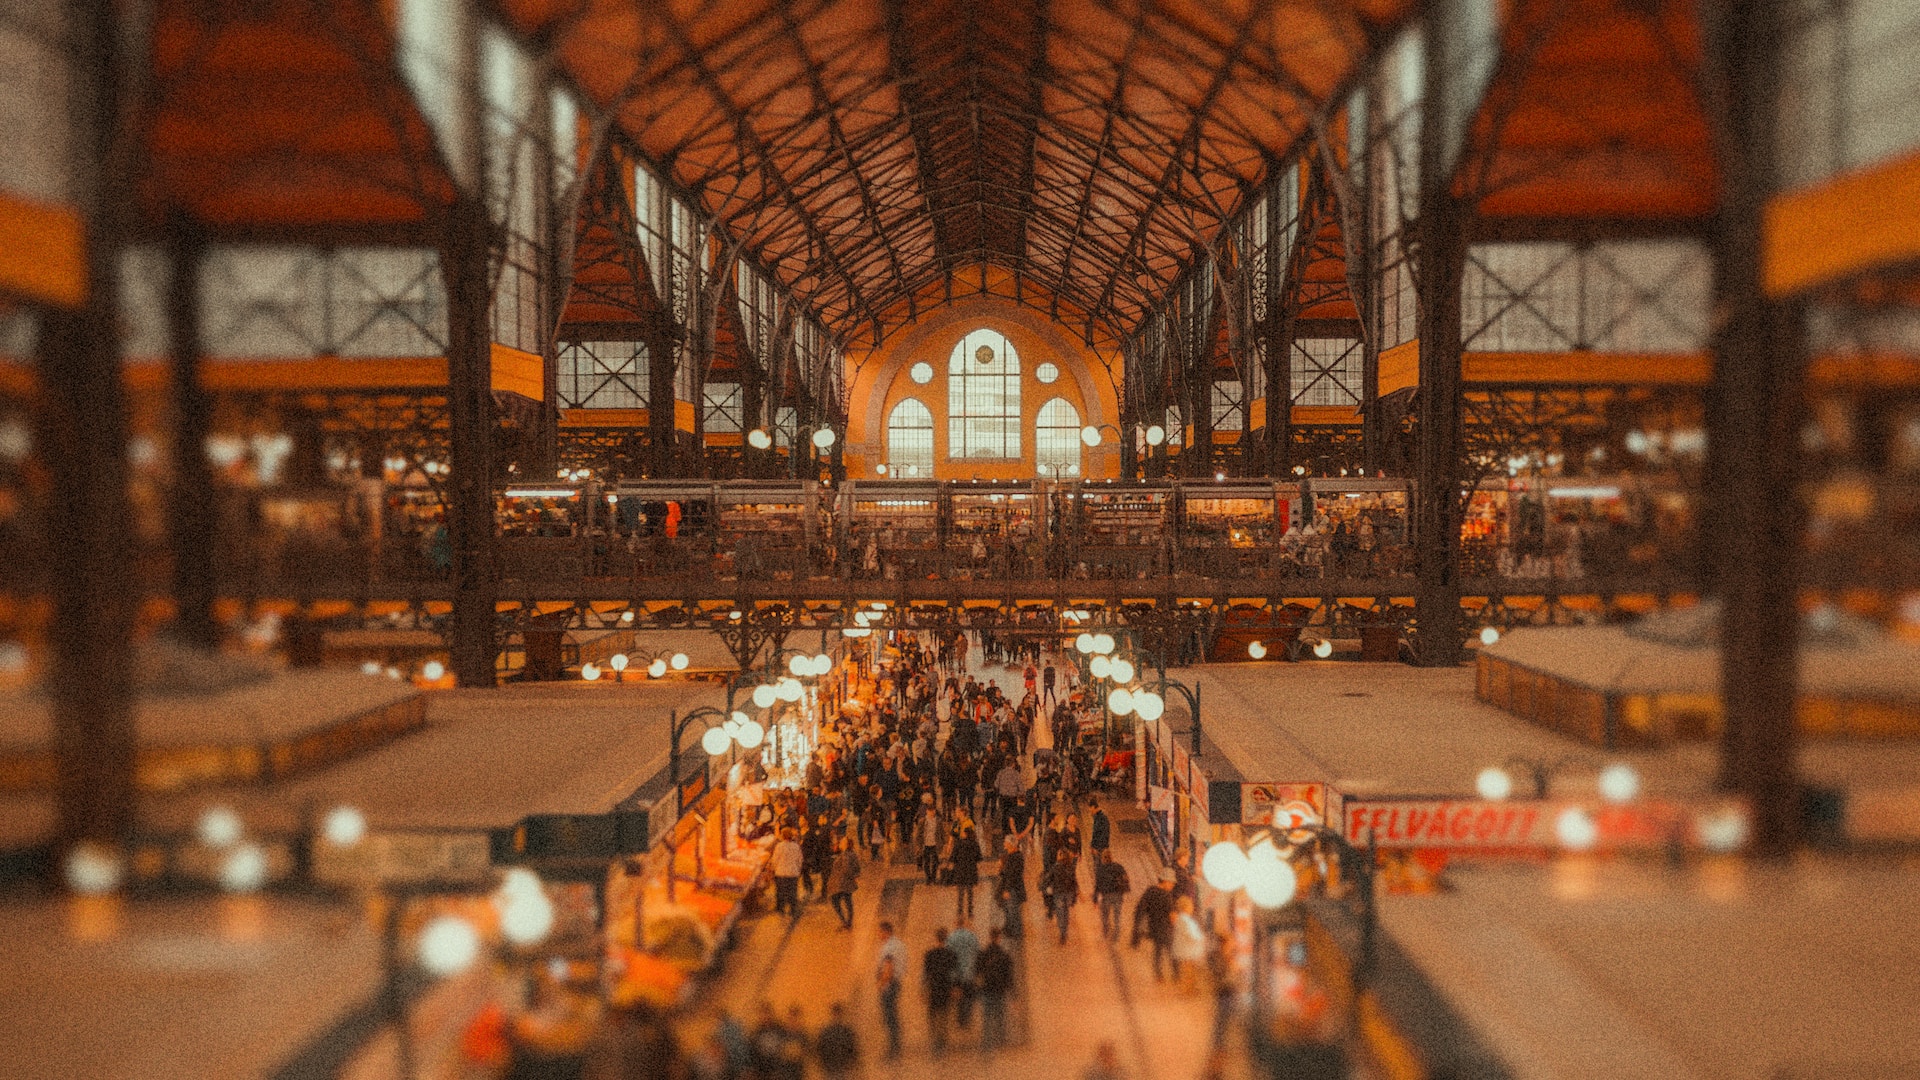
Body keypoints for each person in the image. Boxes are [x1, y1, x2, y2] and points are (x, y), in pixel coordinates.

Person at [1131, 869, 1177, 981]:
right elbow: (1172, 916)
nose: (1172, 886)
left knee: (1158, 952)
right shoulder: (1166, 896)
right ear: (1165, 881)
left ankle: (1158, 975)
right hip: (1165, 928)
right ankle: (1176, 975)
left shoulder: (1150, 891)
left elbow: (1140, 907)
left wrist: (1138, 926)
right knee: (1172, 952)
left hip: (1154, 927)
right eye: (1171, 883)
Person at [976, 929, 1014, 1052]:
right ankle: (1000, 1040)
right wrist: (1013, 993)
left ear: (989, 936)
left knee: (987, 1016)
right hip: (1000, 989)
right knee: (1000, 1015)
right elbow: (1009, 975)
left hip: (986, 988)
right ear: (999, 938)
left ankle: (987, 1041)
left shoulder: (983, 953)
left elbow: (977, 971)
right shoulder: (1004, 955)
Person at [923, 927, 958, 1055]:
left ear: (936, 938)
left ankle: (934, 1043)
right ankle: (942, 1043)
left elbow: (925, 974)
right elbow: (954, 974)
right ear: (946, 938)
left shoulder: (929, 954)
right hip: (946, 988)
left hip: (933, 988)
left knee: (932, 1016)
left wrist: (923, 990)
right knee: (944, 1017)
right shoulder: (951, 954)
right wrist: (955, 988)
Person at [876, 921, 906, 1058]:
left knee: (889, 1017)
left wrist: (881, 984)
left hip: (889, 985)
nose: (878, 934)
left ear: (886, 931)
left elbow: (888, 967)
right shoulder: (900, 944)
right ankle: (896, 1044)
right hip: (897, 983)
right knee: (893, 1014)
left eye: (880, 932)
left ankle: (893, 1047)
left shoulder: (889, 947)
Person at [947, 915, 981, 1029]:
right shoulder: (972, 936)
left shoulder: (951, 937)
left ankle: (960, 1020)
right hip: (970, 972)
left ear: (956, 924)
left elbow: (947, 954)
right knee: (970, 996)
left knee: (959, 996)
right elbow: (978, 952)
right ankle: (967, 1018)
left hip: (956, 972)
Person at [1040, 849, 1079, 944]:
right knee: (1066, 912)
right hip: (1069, 893)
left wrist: (1044, 886)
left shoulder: (1056, 867)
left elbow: (1048, 879)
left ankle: (1062, 932)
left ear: (1061, 856)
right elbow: (1074, 880)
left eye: (1058, 854)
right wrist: (1077, 892)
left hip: (1058, 893)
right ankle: (1064, 930)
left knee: (1060, 912)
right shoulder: (1071, 867)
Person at [815, 1002, 861, 1079]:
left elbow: (853, 1049)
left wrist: (851, 1064)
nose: (837, 1016)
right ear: (833, 1015)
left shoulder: (847, 1031)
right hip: (830, 1068)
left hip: (843, 1067)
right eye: (836, 1014)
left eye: (839, 1014)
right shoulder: (827, 1032)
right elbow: (820, 1049)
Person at [1093, 850, 1131, 941]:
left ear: (1102, 858)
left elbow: (1097, 885)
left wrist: (1095, 899)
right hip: (1118, 895)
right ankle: (1116, 936)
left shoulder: (1100, 869)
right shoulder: (1118, 867)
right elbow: (1126, 878)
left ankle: (1105, 933)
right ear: (1111, 857)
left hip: (1106, 896)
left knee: (1105, 916)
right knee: (1117, 916)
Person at [1171, 895, 1207, 989]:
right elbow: (1190, 934)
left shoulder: (1184, 919)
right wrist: (1200, 938)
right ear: (1185, 907)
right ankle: (1187, 989)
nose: (1192, 908)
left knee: (1190, 970)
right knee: (1188, 971)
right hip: (1187, 950)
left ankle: (1190, 988)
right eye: (1190, 906)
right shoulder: (1184, 919)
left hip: (1188, 949)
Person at [948, 822, 983, 920]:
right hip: (971, 870)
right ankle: (970, 912)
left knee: (960, 892)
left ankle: (960, 911)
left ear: (965, 834)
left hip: (960, 870)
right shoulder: (975, 844)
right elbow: (979, 858)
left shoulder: (959, 843)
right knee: (970, 892)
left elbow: (953, 857)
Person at [824, 838, 860, 930]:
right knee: (848, 901)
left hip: (840, 882)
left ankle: (844, 921)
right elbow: (857, 868)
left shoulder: (845, 855)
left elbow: (846, 868)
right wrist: (853, 876)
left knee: (835, 901)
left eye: (842, 842)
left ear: (846, 844)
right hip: (847, 882)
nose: (840, 842)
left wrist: (842, 876)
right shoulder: (853, 854)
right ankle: (849, 922)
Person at [996, 834, 1026, 939]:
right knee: (1007, 909)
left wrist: (1007, 890)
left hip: (1014, 888)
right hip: (1009, 887)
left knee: (1013, 910)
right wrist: (1001, 868)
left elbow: (1012, 875)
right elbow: (1006, 873)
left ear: (1011, 844)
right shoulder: (1010, 856)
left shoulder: (1017, 857)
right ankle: (1009, 928)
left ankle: (1017, 932)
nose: (1004, 844)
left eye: (1006, 842)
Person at [772, 828, 804, 919]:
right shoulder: (796, 846)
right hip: (793, 873)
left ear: (782, 836)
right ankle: (792, 910)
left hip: (781, 873)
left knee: (781, 892)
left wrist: (774, 869)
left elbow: (775, 860)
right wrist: (798, 869)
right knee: (792, 892)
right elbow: (800, 859)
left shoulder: (779, 846)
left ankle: (780, 909)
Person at [916, 794, 944, 885]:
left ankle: (934, 877)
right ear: (927, 811)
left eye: (932, 811)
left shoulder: (938, 821)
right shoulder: (922, 821)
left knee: (935, 862)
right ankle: (928, 878)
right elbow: (918, 834)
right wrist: (918, 845)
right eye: (929, 811)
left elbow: (941, 833)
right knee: (926, 862)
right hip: (926, 844)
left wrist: (943, 843)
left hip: (935, 843)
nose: (931, 813)